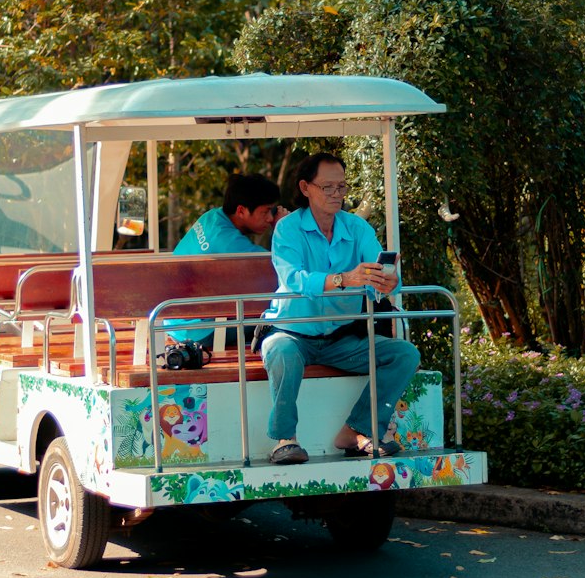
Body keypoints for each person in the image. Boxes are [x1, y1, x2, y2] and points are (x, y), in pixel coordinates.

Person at [259, 152, 420, 465]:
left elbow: (378, 271)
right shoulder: (287, 229)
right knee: (281, 352)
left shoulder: (357, 228)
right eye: (328, 187)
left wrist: (388, 282)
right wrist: (343, 279)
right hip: (292, 333)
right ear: (306, 188)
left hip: (341, 338)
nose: (336, 195)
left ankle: (357, 430)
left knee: (405, 354)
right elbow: (293, 279)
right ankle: (284, 440)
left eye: (342, 187)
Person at [165, 173, 283, 348]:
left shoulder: (211, 217)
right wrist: (283, 228)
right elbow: (284, 270)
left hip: (173, 323)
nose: (270, 218)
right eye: (266, 211)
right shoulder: (229, 243)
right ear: (241, 210)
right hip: (201, 332)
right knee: (286, 318)